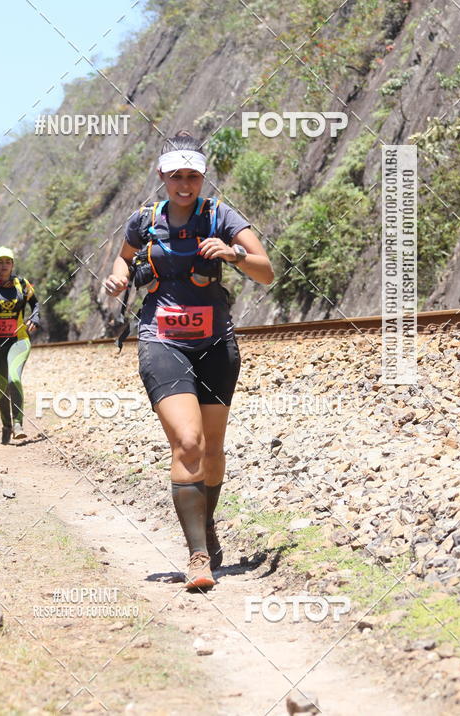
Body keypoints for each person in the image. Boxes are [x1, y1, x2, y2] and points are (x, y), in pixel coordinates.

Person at [105, 131, 274, 590]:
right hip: (162, 340)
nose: (184, 184)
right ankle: (197, 555)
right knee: (189, 443)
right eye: (176, 176)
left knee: (214, 450)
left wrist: (234, 253)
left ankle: (207, 524)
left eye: (192, 176)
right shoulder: (144, 220)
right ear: (162, 176)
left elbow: (266, 271)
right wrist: (119, 279)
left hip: (216, 344)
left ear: (202, 177)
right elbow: (123, 260)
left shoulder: (220, 215)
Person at [0, 247, 41, 445]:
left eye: (8, 262)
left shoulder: (22, 284)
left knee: (14, 378)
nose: (4, 265)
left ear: (12, 265)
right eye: (0, 262)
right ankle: (6, 426)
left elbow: (36, 304)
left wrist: (35, 318)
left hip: (19, 340)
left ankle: (18, 423)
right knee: (2, 386)